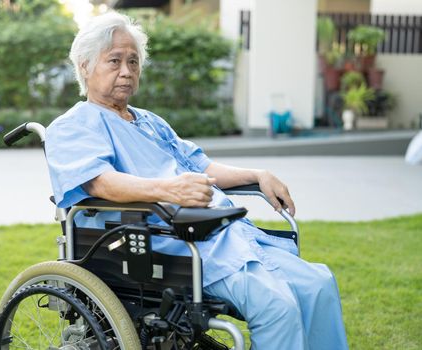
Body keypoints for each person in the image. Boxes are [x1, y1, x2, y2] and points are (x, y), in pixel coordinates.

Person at [45, 12, 348, 350]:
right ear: (85, 67)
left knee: (319, 284)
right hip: (166, 243)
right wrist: (171, 190)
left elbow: (201, 166)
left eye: (133, 61)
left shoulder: (149, 122)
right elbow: (100, 184)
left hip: (225, 234)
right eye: (114, 61)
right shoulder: (73, 125)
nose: (127, 71)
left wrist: (257, 175)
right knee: (277, 305)